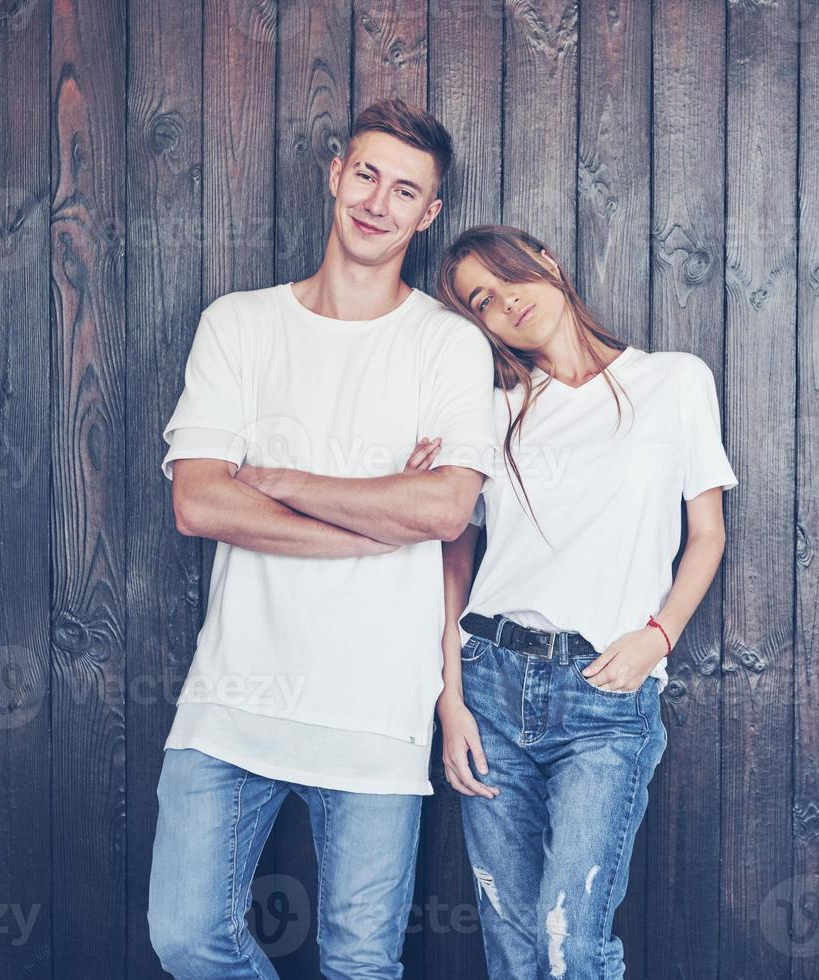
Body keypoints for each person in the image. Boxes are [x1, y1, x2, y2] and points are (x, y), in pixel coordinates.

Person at [147, 99, 498, 979]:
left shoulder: (450, 347)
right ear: (335, 174)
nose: (378, 202)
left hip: (375, 713)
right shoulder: (239, 322)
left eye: (405, 189)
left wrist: (281, 483)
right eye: (367, 175)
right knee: (186, 935)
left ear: (431, 213)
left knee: (360, 969)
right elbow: (198, 502)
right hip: (231, 702)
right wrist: (374, 521)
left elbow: (445, 513)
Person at [432, 225, 737, 979]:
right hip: (489, 685)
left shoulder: (673, 380)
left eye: (512, 279)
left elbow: (707, 536)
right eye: (484, 302)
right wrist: (449, 700)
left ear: (550, 264)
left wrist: (658, 638)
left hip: (604, 694)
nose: (507, 304)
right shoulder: (491, 409)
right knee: (510, 946)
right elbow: (451, 558)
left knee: (572, 945)